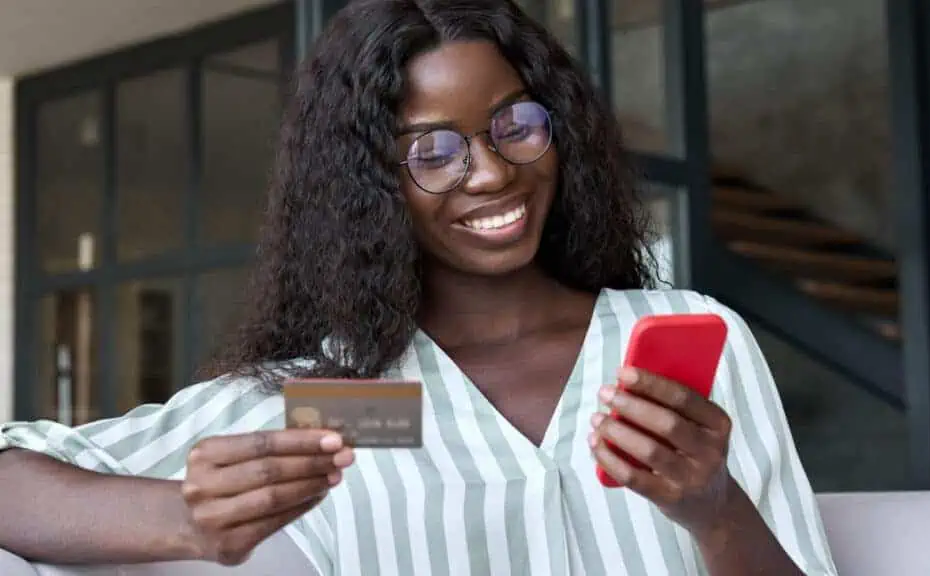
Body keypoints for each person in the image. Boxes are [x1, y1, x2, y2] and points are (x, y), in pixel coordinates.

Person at [0, 1, 838, 575]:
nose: (492, 173)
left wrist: (714, 511)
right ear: (368, 185)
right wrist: (184, 518)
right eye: (431, 152)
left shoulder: (687, 337)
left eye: (515, 123)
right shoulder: (360, 401)